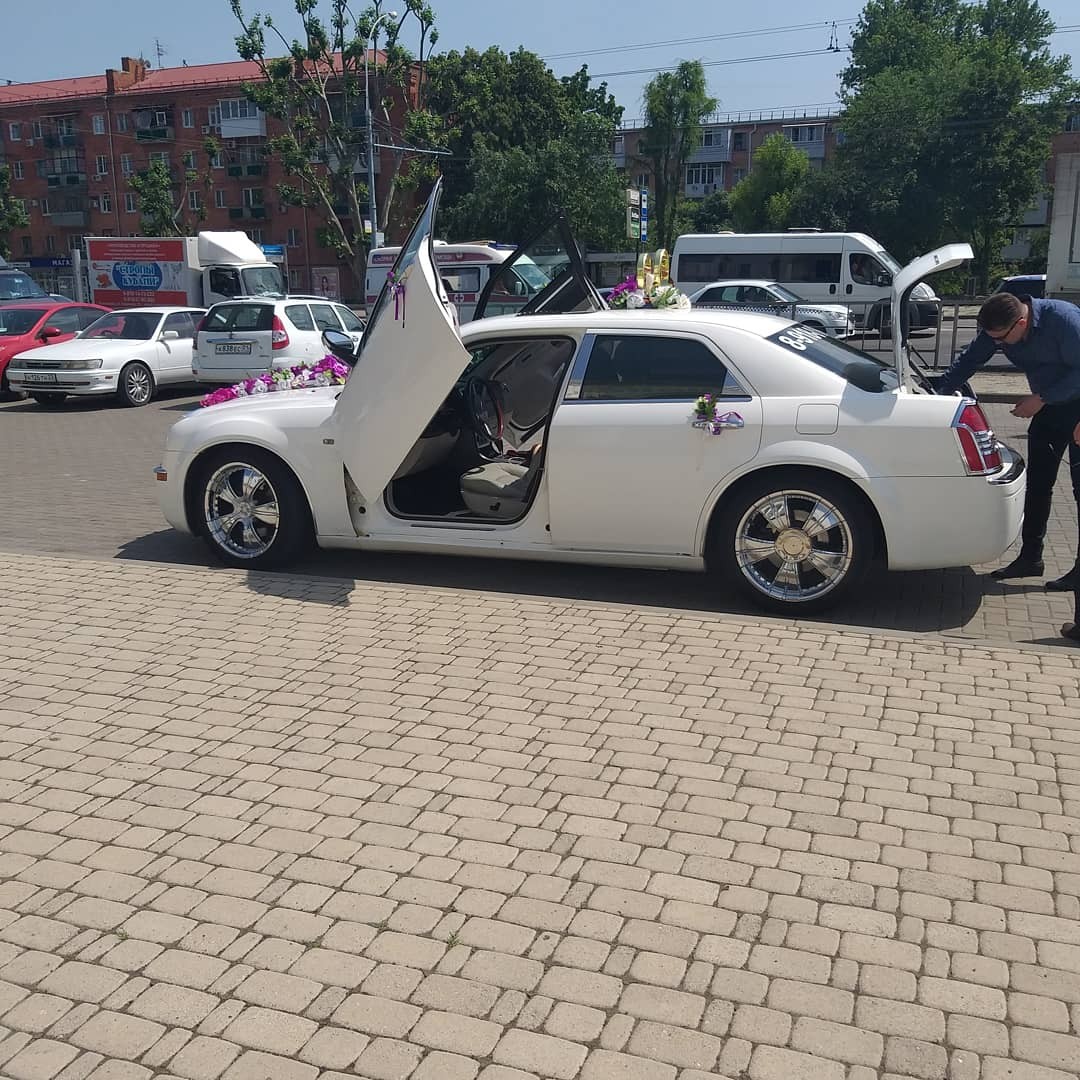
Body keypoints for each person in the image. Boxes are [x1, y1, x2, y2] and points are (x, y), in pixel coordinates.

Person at [933, 290, 1080, 590]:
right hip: (1049, 407)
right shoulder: (1000, 327)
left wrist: (1041, 398)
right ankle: (1030, 559)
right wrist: (938, 395)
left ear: (1021, 322)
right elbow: (970, 359)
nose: (997, 344)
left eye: (1001, 339)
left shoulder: (1064, 320)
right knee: (1038, 485)